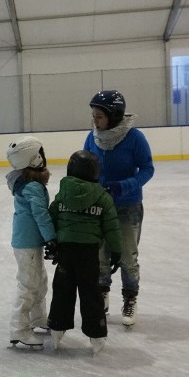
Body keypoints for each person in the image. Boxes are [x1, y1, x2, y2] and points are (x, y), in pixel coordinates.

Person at [84, 90, 154, 326]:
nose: (95, 120)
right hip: (100, 207)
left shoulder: (134, 138)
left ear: (113, 116)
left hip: (127, 206)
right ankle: (102, 294)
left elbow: (147, 169)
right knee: (100, 255)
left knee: (127, 256)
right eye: (93, 115)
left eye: (99, 116)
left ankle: (130, 298)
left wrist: (125, 186)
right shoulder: (92, 137)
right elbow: (85, 166)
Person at [45, 150, 121, 354]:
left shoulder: (63, 194)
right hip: (88, 254)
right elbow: (111, 226)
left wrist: (51, 241)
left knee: (62, 290)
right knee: (91, 292)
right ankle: (96, 333)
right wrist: (117, 250)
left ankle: (57, 327)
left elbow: (51, 217)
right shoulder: (102, 198)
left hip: (66, 253)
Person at [5, 136, 56, 348]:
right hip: (27, 242)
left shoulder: (27, 182)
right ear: (34, 158)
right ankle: (19, 329)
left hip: (29, 241)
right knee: (28, 285)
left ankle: (38, 318)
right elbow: (41, 215)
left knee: (39, 281)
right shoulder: (32, 186)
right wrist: (52, 238)